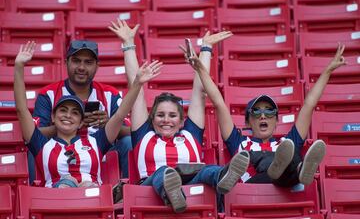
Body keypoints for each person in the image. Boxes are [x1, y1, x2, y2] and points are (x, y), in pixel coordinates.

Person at [109, 19, 250, 213]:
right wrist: (128, 44)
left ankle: (224, 177)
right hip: (151, 188)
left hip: (192, 183)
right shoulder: (144, 135)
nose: (166, 119)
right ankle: (173, 193)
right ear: (151, 119)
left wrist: (206, 49)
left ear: (182, 120)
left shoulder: (190, 135)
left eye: (172, 115)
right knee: (165, 173)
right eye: (160, 115)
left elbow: (200, 92)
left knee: (208, 171)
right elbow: (136, 88)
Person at [186, 42, 346, 187]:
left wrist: (328, 71)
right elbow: (218, 102)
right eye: (256, 112)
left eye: (269, 112)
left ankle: (299, 170)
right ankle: (292, 169)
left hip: (281, 187)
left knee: (290, 154)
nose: (263, 116)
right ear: (248, 123)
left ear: (276, 121)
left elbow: (309, 105)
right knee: (268, 157)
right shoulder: (238, 142)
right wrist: (200, 68)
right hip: (251, 189)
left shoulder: (286, 144)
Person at [14, 41, 161, 188]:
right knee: (65, 183)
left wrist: (137, 84)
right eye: (63, 110)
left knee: (88, 184)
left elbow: (121, 116)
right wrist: (19, 67)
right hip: (57, 194)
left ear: (80, 121)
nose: (68, 115)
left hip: (92, 189)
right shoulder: (44, 143)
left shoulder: (95, 141)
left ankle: (122, 191)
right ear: (53, 117)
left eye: (75, 112)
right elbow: (22, 110)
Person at [31, 39, 132, 179]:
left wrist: (109, 124)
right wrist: (71, 126)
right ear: (66, 62)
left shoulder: (110, 94)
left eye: (88, 62)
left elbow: (131, 131)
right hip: (62, 152)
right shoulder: (48, 94)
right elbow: (35, 133)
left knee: (128, 142)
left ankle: (127, 190)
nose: (81, 67)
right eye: (76, 61)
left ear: (97, 66)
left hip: (102, 149)